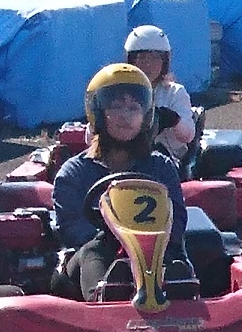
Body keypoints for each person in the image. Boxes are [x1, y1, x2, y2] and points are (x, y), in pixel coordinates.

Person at [52, 64, 198, 301]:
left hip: (153, 254)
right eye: (116, 107)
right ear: (97, 112)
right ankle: (106, 297)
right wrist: (120, 244)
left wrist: (146, 245)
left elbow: (177, 219)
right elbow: (73, 231)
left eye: (134, 108)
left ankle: (180, 294)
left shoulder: (160, 167)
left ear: (146, 114)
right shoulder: (75, 172)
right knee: (92, 252)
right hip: (91, 259)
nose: (125, 115)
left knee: (174, 255)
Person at [123, 24, 197, 164]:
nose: (148, 64)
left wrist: (173, 120)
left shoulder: (174, 93)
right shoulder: (119, 93)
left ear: (164, 61)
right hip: (126, 158)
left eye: (155, 58)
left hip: (169, 162)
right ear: (131, 60)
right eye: (142, 57)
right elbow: (91, 138)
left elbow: (188, 136)